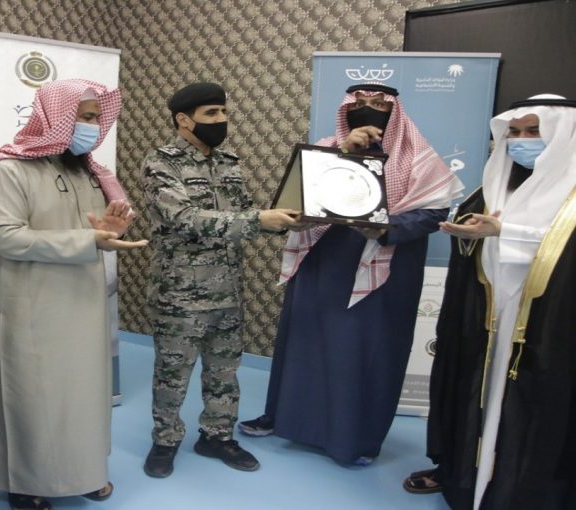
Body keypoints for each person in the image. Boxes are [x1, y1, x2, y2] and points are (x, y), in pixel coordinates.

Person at [239, 83, 463, 465]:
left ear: (394, 110)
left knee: (361, 353)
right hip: (322, 263)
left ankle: (352, 440)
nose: (368, 109)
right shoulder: (327, 147)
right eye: (359, 103)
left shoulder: (417, 156)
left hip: (382, 270)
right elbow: (296, 200)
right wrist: (342, 155)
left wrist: (384, 228)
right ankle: (284, 419)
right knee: (305, 345)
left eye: (378, 104)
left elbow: (433, 214)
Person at [0, 79, 146, 510]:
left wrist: (108, 231)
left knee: (83, 395)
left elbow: (94, 230)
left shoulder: (88, 172)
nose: (93, 127)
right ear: (55, 118)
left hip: (82, 302)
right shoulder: (7, 170)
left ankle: (83, 471)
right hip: (29, 307)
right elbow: (6, 237)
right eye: (85, 117)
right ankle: (26, 481)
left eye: (97, 118)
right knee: (32, 397)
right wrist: (89, 240)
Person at [404, 95, 576, 510]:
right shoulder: (496, 183)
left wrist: (504, 231)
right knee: (476, 393)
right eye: (513, 132)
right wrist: (470, 234)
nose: (521, 141)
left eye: (533, 131)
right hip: (490, 318)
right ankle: (464, 474)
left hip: (547, 327)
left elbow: (562, 245)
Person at [141, 82, 302, 478]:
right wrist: (257, 219)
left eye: (224, 112)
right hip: (180, 294)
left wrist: (283, 220)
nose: (222, 119)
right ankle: (165, 440)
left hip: (227, 290)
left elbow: (243, 213)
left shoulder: (228, 161)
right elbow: (183, 219)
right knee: (173, 374)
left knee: (224, 372)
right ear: (184, 120)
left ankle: (216, 436)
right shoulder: (161, 163)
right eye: (211, 113)